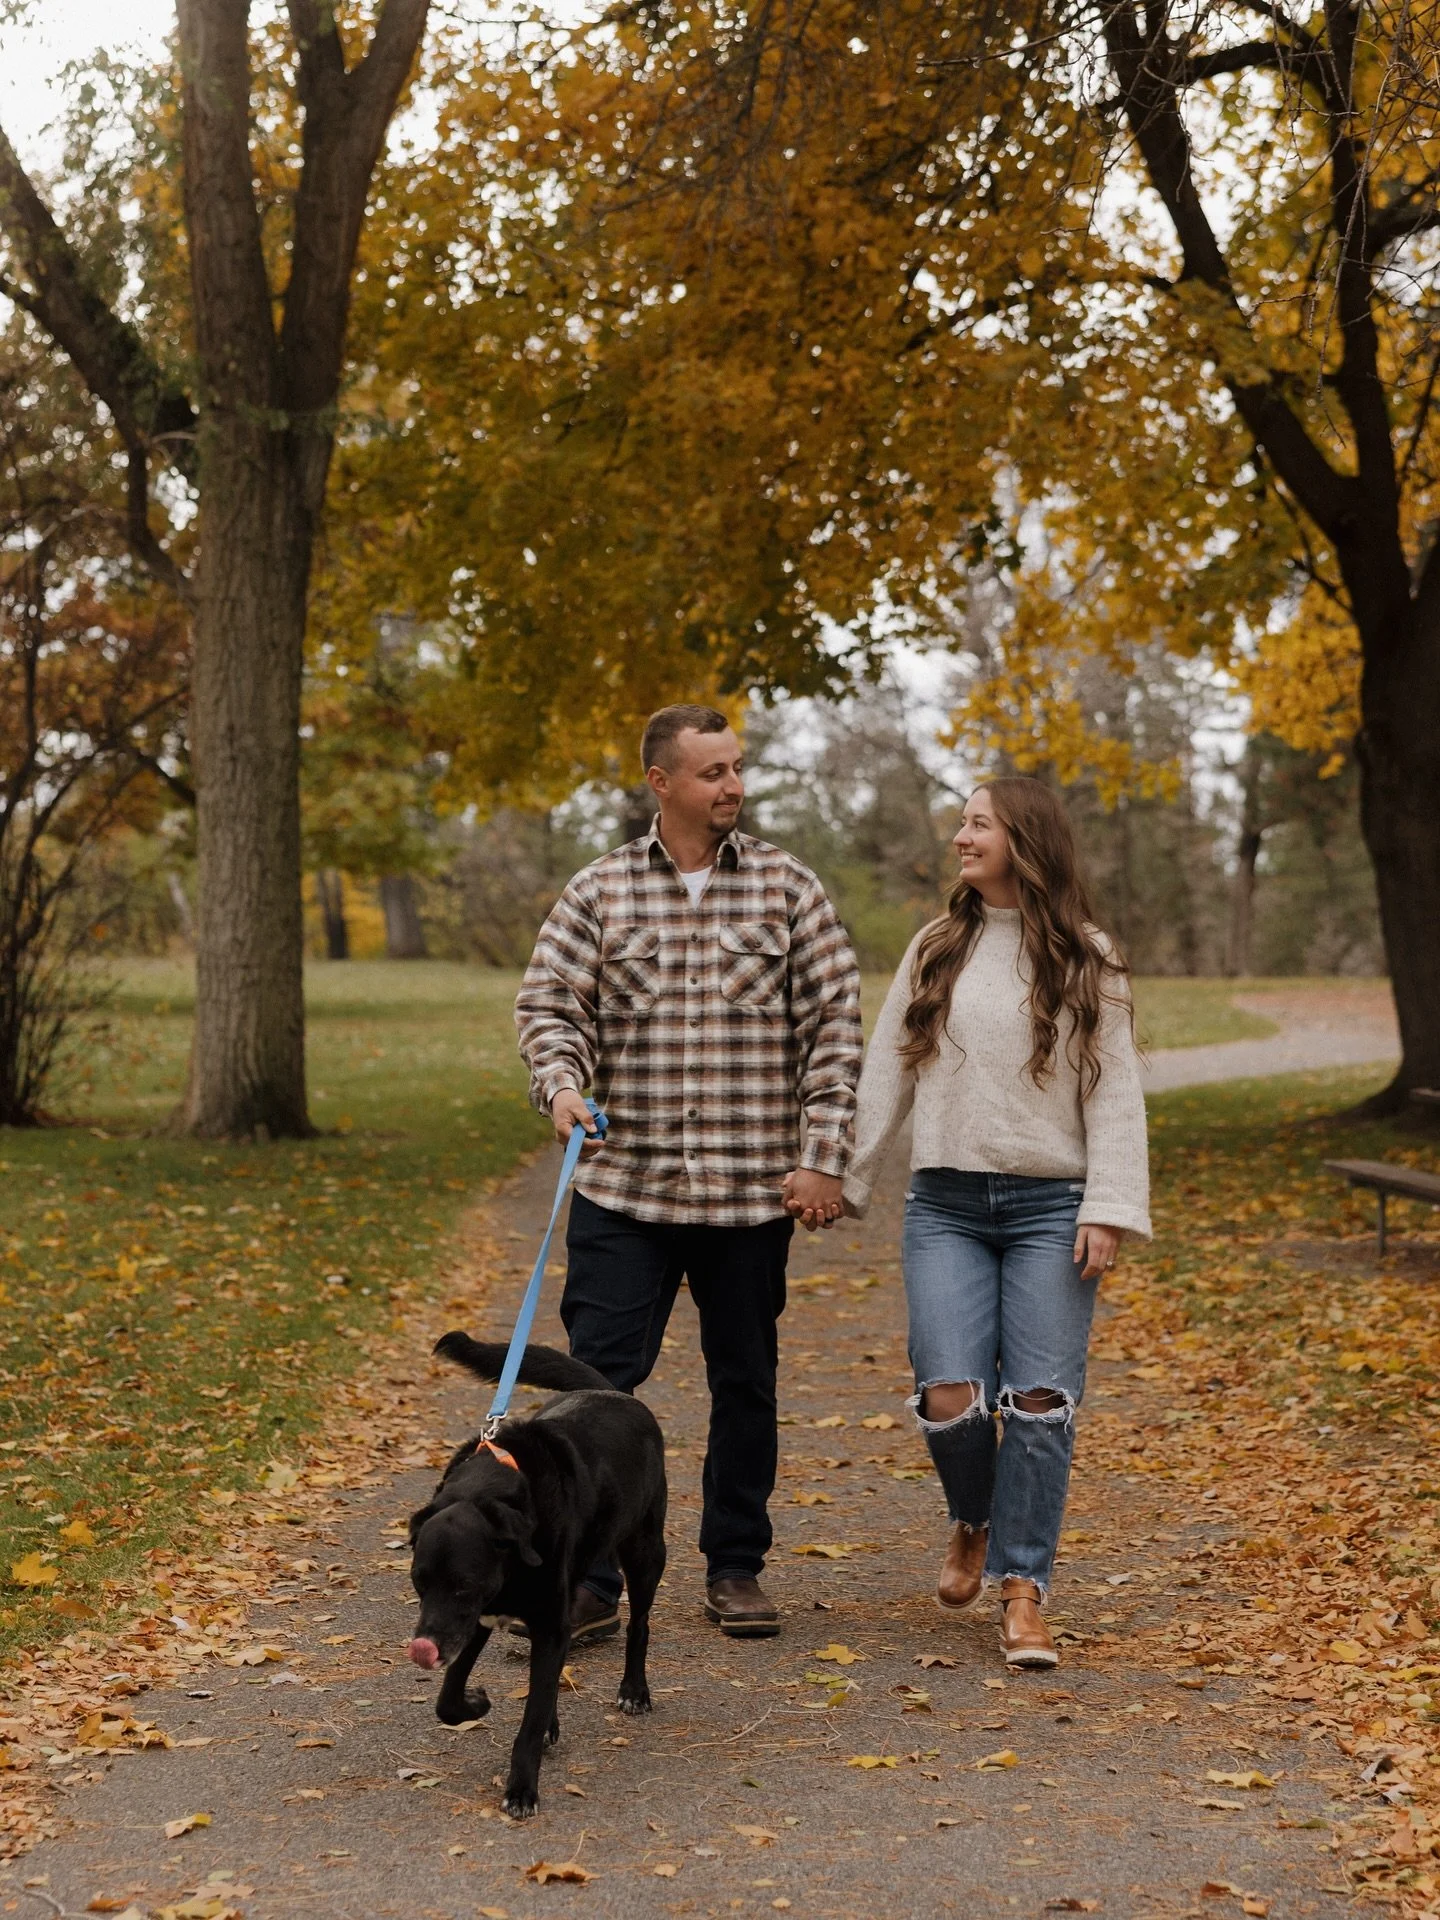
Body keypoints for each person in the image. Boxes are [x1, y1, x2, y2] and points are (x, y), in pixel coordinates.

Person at [516, 704, 863, 1641]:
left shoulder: (790, 889)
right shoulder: (600, 892)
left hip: (751, 1195)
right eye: (712, 772)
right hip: (626, 1189)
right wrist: (559, 1087)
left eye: (738, 769)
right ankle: (589, 1579)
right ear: (661, 784)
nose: (733, 787)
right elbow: (549, 1005)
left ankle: (735, 1566)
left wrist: (821, 1157)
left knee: (744, 1382)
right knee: (595, 1388)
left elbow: (834, 1029)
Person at [838, 776, 1150, 1668]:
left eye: (977, 823)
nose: (960, 836)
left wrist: (1111, 1207)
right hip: (946, 1205)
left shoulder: (1089, 954)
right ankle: (972, 1517)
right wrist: (846, 1176)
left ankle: (1023, 1592)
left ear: (1024, 839)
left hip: (1055, 1205)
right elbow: (886, 1070)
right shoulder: (938, 945)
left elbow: (1116, 1089)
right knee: (949, 1395)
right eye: (963, 822)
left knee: (1042, 1404)